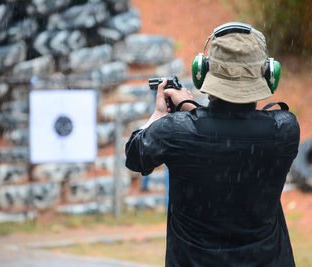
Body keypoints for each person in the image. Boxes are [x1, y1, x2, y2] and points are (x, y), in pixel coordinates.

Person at [125, 22, 300, 266]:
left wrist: (161, 115)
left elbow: (135, 154)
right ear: (269, 73)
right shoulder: (284, 130)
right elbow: (229, 132)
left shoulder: (175, 131)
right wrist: (190, 108)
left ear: (203, 70)